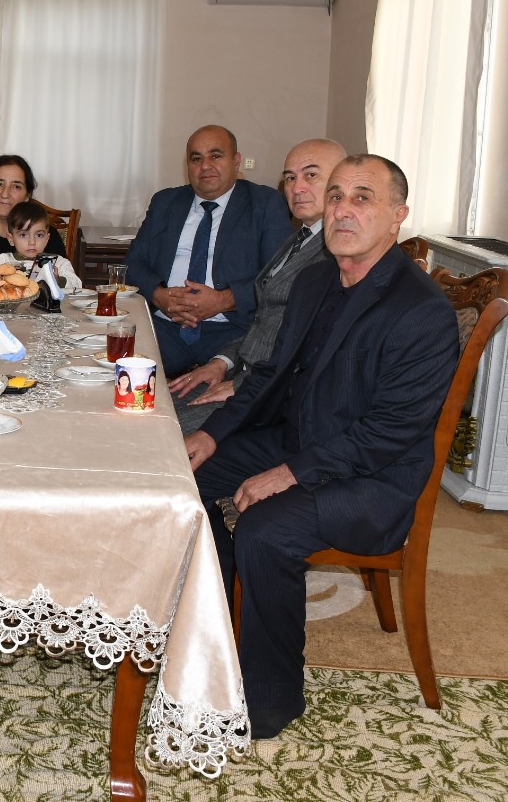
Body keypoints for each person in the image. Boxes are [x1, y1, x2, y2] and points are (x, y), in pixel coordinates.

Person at [185, 155, 459, 740]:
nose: (342, 210)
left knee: (265, 530)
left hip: (375, 479)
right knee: (185, 480)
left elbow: (390, 432)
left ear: (398, 216)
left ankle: (269, 700)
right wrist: (213, 433)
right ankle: (225, 631)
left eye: (363, 197)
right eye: (335, 196)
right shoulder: (315, 281)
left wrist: (288, 473)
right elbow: (270, 373)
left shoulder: (421, 311)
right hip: (304, 441)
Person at [169, 139, 346, 433]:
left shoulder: (338, 254)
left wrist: (241, 385)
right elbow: (266, 322)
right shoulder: (299, 238)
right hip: (241, 370)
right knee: (146, 407)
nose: (297, 188)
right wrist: (222, 362)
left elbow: (310, 350)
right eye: (290, 178)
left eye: (311, 175)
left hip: (269, 395)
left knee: (162, 434)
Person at [125, 125, 291, 378]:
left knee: (239, 392)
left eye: (215, 156)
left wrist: (223, 300)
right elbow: (133, 263)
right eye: (196, 159)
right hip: (164, 325)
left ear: (236, 161)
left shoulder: (265, 203)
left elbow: (280, 277)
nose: (205, 166)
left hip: (231, 330)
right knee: (119, 373)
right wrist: (159, 296)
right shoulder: (165, 202)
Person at [0, 200, 82, 292]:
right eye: (23, 235)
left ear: (47, 239)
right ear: (11, 239)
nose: (32, 242)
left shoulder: (58, 263)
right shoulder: (2, 262)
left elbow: (77, 285)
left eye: (39, 235)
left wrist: (58, 281)